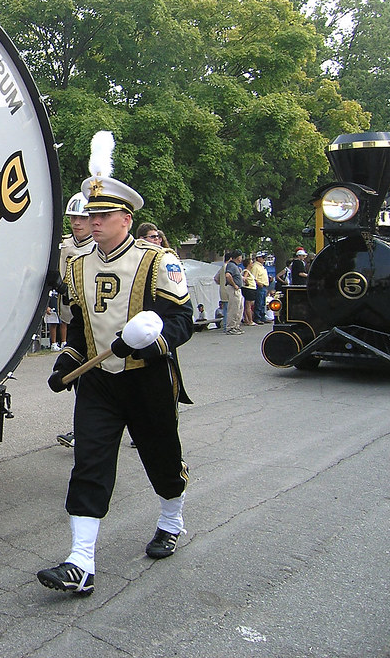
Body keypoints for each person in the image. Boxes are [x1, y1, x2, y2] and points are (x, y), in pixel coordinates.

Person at [39, 132, 193, 597]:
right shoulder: (78, 263)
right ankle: (80, 561)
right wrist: (67, 360)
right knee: (89, 463)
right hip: (100, 384)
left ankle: (172, 520)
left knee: (161, 457)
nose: (94, 221)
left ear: (126, 218)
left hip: (146, 380)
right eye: (91, 214)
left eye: (104, 215)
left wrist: (150, 345)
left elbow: (183, 320)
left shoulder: (156, 260)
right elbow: (83, 323)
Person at [55, 193, 94, 449]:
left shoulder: (98, 248)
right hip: (71, 319)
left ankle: (87, 431)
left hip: (94, 322)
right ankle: (84, 430)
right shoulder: (63, 245)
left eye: (82, 217)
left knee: (90, 380)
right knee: (78, 379)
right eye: (73, 218)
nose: (76, 223)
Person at [223, 251, 245, 335]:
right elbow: (228, 275)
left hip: (237, 289)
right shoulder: (231, 265)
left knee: (239, 308)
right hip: (233, 289)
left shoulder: (235, 266)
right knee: (233, 308)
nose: (241, 259)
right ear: (238, 257)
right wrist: (234, 284)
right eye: (241, 257)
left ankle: (236, 326)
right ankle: (230, 327)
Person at [249, 252, 270, 325]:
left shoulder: (262, 266)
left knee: (263, 303)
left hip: (264, 286)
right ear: (258, 258)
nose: (264, 259)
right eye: (262, 257)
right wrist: (258, 283)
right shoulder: (255, 266)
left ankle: (262, 316)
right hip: (259, 287)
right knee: (259, 302)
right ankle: (257, 317)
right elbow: (253, 277)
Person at [240, 261, 257, 325]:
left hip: (250, 289)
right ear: (248, 264)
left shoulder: (248, 271)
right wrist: (247, 282)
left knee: (247, 305)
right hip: (249, 289)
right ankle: (250, 320)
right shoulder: (246, 271)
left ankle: (246, 319)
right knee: (248, 305)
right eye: (251, 263)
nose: (252, 264)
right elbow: (244, 278)